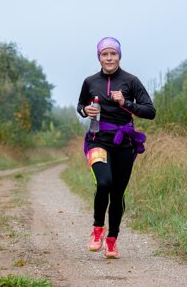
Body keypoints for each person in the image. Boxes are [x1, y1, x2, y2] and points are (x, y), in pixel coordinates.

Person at [77, 37, 155, 259]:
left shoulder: (131, 81)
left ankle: (112, 241)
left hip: (123, 144)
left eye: (113, 54)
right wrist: (85, 111)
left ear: (119, 56)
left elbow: (150, 111)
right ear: (99, 57)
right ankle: (97, 230)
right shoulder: (90, 81)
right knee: (104, 182)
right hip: (97, 139)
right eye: (105, 54)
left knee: (117, 193)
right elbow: (80, 105)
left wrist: (125, 103)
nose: (109, 58)